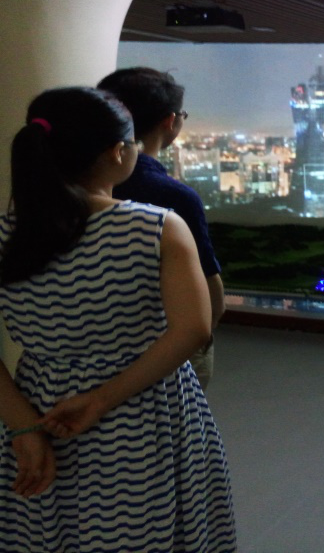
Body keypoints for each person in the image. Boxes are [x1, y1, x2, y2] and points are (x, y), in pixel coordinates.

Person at [0, 87, 237, 551]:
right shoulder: (156, 227)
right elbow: (193, 329)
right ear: (118, 152)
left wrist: (24, 427)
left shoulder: (7, 234)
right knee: (148, 527)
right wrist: (100, 399)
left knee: (49, 526)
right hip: (144, 407)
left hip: (40, 404)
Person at [97, 67, 225, 388]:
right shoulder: (174, 197)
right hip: (166, 347)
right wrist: (205, 333)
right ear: (170, 121)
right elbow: (209, 287)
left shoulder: (76, 188)